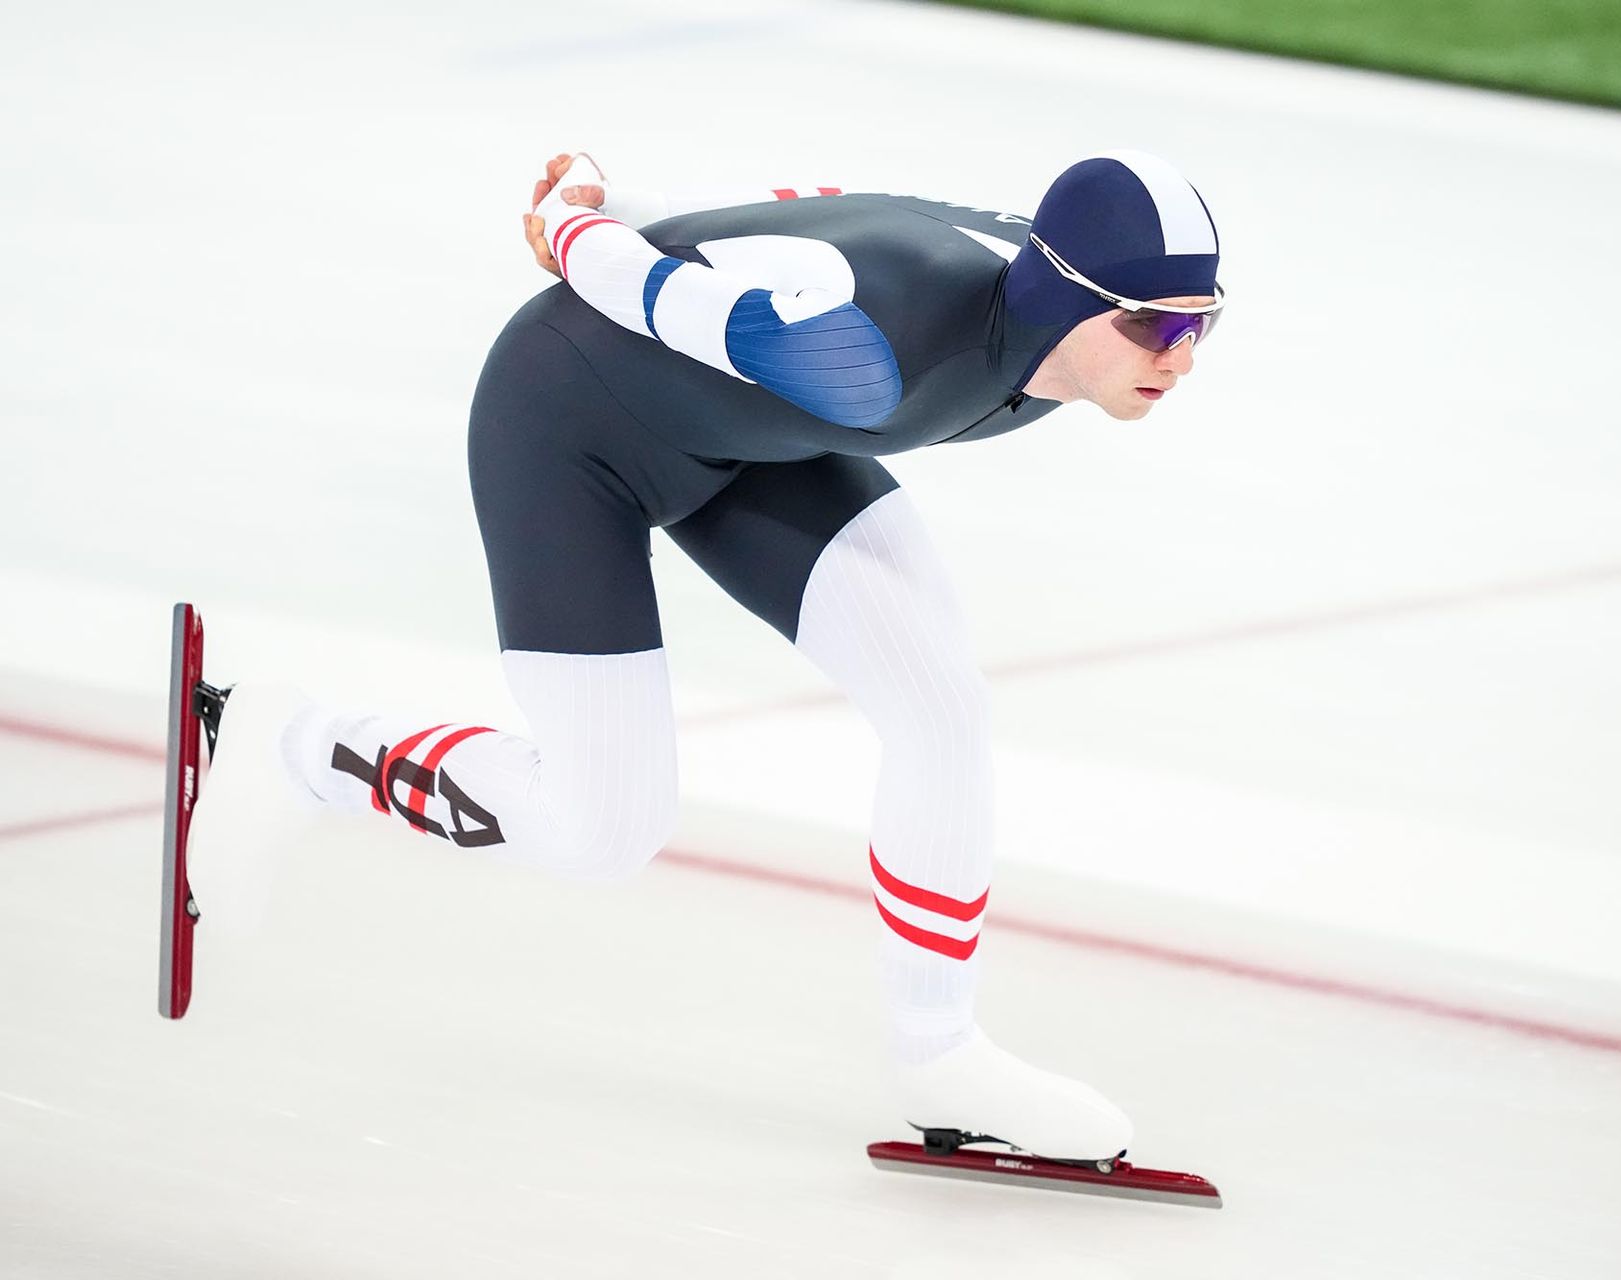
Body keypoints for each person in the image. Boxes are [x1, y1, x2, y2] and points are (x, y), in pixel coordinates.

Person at [187, 149, 1224, 1161]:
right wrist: (577, 218)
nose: (1179, 357)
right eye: (1155, 325)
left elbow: (818, 203)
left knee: (943, 709)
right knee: (603, 829)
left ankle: (938, 1053)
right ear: (1066, 295)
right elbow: (635, 282)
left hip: (753, 436)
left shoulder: (1027, 285)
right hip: (572, 426)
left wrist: (635, 194)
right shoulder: (866, 358)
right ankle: (293, 745)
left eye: (1202, 323)